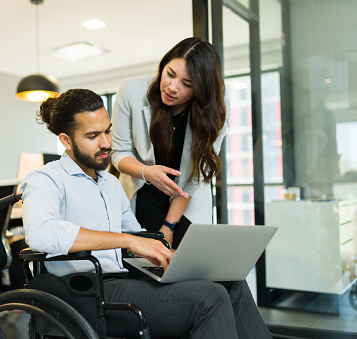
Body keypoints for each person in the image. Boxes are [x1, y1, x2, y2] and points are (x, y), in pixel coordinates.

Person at [20, 89, 271, 338]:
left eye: (107, 131)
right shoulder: (46, 179)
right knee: (208, 298)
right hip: (84, 294)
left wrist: (176, 256)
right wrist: (128, 240)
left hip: (123, 280)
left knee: (230, 282)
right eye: (93, 135)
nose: (106, 143)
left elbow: (138, 234)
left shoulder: (109, 184)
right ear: (66, 140)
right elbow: (40, 234)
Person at [111, 37, 229, 248]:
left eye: (187, 84)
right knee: (144, 269)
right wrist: (147, 173)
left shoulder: (217, 110)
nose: (173, 87)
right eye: (170, 74)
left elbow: (197, 176)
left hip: (186, 201)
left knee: (188, 270)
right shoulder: (131, 91)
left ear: (201, 90)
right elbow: (119, 152)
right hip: (142, 192)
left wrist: (168, 226)